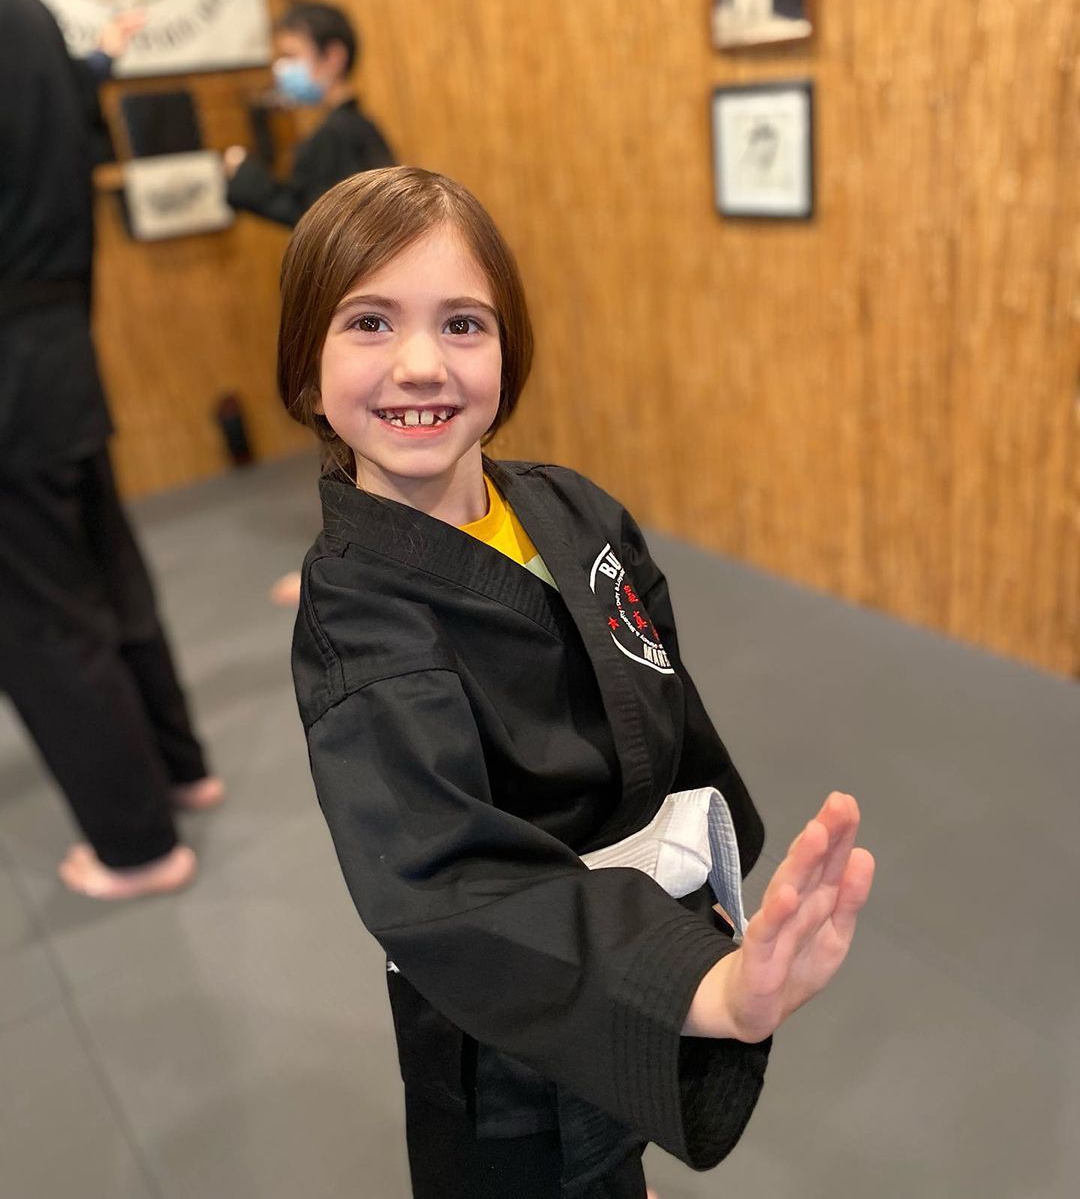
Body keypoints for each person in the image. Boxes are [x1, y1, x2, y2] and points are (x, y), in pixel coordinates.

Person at [276, 166, 875, 1197]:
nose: (421, 364)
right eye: (368, 323)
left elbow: (665, 697)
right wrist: (698, 984)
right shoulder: (360, 627)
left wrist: (711, 907)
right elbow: (447, 880)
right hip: (505, 1019)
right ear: (305, 368)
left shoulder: (573, 513)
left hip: (640, 939)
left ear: (510, 351)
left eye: (463, 324)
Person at [0, 0, 223, 901]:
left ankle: (138, 845)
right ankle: (180, 768)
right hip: (58, 337)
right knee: (107, 569)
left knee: (40, 616)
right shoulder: (23, 7)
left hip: (8, 360)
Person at [223, 0, 394, 228]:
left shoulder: (339, 132)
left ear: (333, 57)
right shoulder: (352, 126)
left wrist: (244, 174)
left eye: (291, 56)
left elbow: (318, 221)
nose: (281, 69)